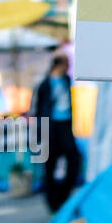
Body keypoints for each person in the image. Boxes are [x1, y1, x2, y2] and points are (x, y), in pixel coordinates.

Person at [34, 53, 82, 212]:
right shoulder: (45, 85)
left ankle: (63, 194)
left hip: (65, 124)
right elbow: (38, 109)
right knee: (50, 164)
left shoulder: (66, 80)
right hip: (50, 126)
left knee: (74, 159)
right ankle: (53, 202)